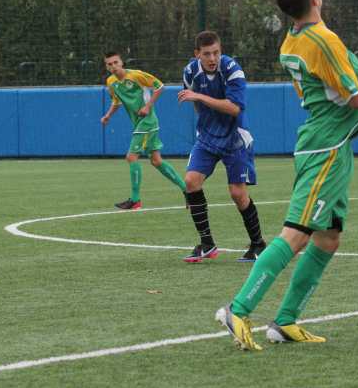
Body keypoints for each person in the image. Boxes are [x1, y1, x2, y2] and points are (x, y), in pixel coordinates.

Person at [216, 0, 358, 350]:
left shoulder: (293, 40)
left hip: (331, 144)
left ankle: (285, 322)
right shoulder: (322, 40)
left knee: (328, 238)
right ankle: (238, 309)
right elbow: (355, 97)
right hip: (325, 148)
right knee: (296, 233)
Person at [178, 31, 266, 263]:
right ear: (197, 54)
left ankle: (258, 244)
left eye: (216, 53)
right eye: (207, 54)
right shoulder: (190, 72)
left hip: (235, 138)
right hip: (207, 137)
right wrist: (204, 119)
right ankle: (207, 244)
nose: (212, 58)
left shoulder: (232, 69)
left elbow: (235, 108)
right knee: (191, 182)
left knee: (237, 193)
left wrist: (200, 97)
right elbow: (195, 103)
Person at [100, 51, 187, 209]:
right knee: (156, 161)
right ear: (106, 67)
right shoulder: (111, 82)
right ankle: (188, 191)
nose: (113, 66)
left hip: (147, 121)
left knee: (131, 157)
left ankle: (135, 200)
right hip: (139, 123)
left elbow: (160, 86)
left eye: (115, 62)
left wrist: (148, 106)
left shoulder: (136, 75)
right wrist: (108, 116)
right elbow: (116, 101)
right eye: (109, 64)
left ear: (121, 62)